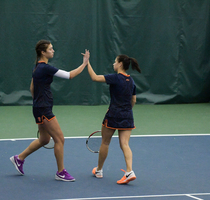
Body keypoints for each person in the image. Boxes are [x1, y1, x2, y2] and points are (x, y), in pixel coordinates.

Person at [10, 40, 90, 182]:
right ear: (43, 52)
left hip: (38, 107)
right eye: (51, 49)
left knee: (44, 139)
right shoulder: (45, 68)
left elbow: (31, 88)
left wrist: (38, 102)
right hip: (44, 108)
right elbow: (69, 75)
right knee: (59, 139)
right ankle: (61, 172)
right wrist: (84, 63)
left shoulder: (37, 68)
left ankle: (19, 158)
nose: (53, 51)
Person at [87, 54, 141, 184]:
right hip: (127, 115)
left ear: (120, 64)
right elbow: (133, 100)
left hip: (113, 114)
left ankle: (99, 170)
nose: (113, 64)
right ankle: (129, 171)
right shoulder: (131, 81)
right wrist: (127, 109)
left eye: (115, 61)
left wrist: (87, 62)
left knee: (105, 142)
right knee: (125, 144)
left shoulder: (115, 78)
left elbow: (94, 78)